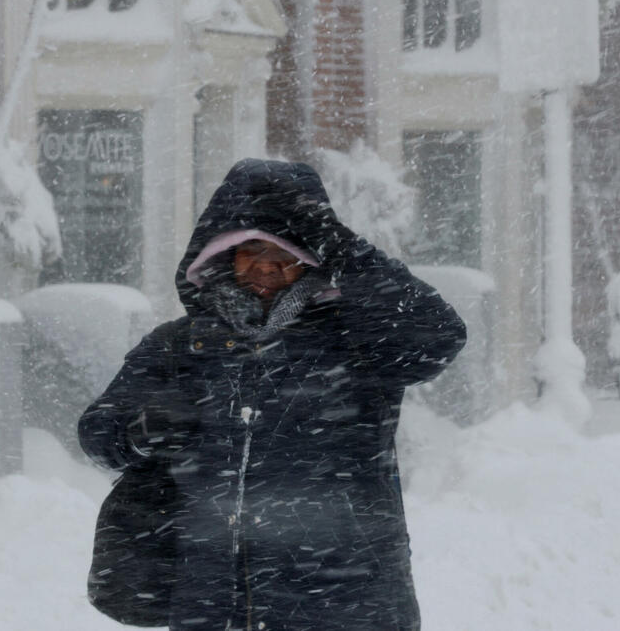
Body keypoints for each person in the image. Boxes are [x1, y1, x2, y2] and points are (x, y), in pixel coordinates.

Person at [79, 158, 466, 630]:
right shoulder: (181, 345)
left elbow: (439, 335)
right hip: (213, 604)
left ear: (312, 261)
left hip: (346, 603)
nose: (267, 267)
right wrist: (145, 428)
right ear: (223, 255)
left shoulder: (359, 342)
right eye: (252, 251)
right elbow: (99, 432)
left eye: (286, 254)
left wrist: (337, 241)